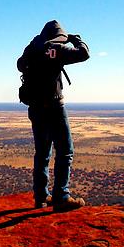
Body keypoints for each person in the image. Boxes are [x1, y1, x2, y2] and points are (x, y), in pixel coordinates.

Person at [17, 20, 90, 212]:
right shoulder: (56, 49)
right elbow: (84, 54)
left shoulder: (33, 49)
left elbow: (19, 64)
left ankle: (40, 197)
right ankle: (61, 197)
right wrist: (77, 40)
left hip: (35, 108)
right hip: (54, 107)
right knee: (65, 151)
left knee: (42, 153)